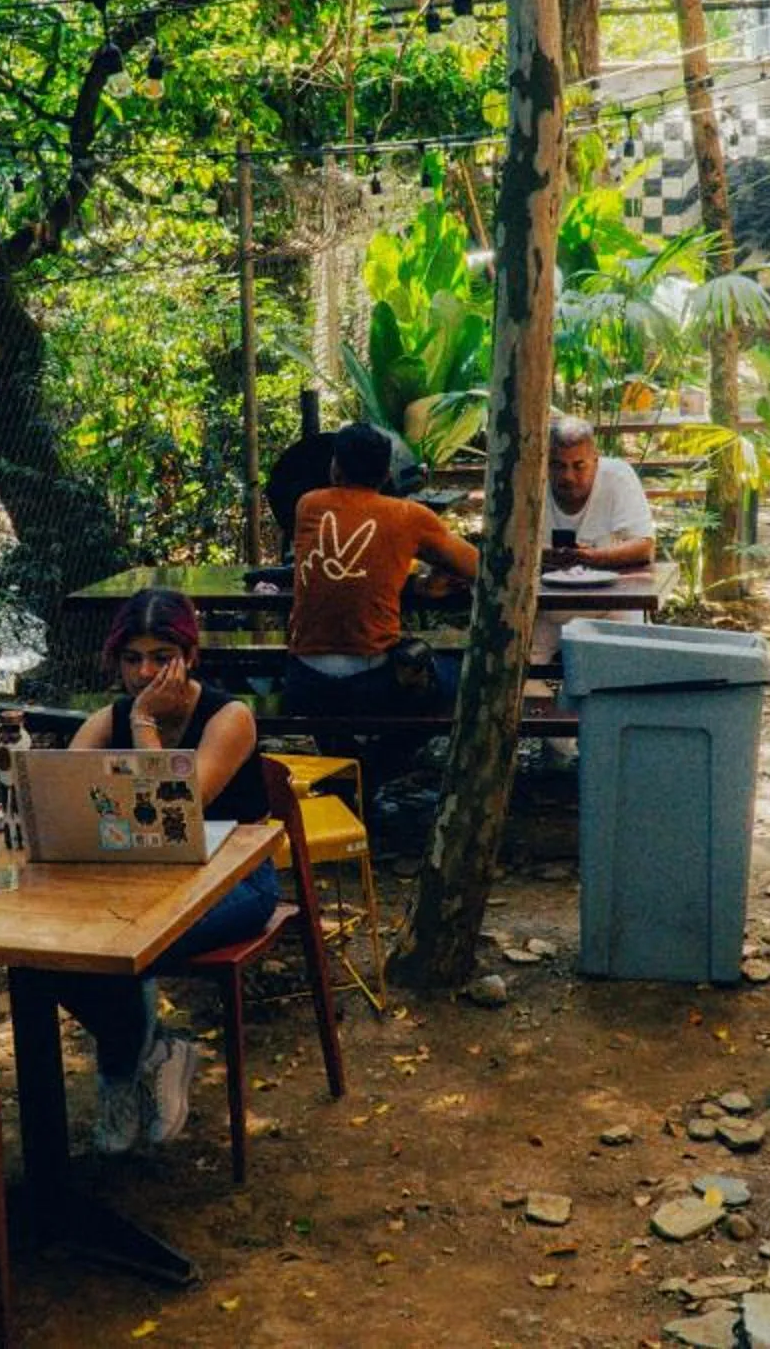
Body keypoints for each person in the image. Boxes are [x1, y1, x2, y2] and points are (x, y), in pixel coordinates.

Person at [48, 588, 279, 1153]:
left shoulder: (230, 717)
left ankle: (120, 1072)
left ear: (189, 657)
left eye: (160, 657)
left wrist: (145, 725)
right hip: (138, 880)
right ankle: (152, 1054)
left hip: (234, 882)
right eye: (132, 659)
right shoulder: (110, 717)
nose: (144, 672)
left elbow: (181, 805)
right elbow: (61, 791)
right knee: (49, 952)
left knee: (122, 948)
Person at [284, 422, 480, 721]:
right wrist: (427, 574)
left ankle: (355, 757)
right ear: (387, 473)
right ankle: (388, 762)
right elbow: (476, 566)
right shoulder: (408, 516)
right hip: (371, 681)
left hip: (303, 679)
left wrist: (412, 584)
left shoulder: (308, 505)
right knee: (456, 678)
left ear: (335, 468)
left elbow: (349, 574)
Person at [533, 415, 657, 664]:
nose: (568, 476)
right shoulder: (530, 481)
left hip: (612, 603)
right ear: (545, 463)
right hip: (545, 610)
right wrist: (544, 557)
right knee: (520, 668)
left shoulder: (617, 476)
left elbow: (644, 547)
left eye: (579, 466)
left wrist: (592, 557)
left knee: (628, 667)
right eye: (558, 466)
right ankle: (547, 704)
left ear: (595, 461)